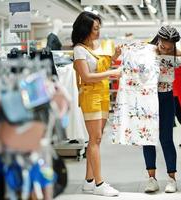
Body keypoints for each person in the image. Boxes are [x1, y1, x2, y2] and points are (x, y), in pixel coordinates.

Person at [72, 11, 121, 197]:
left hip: (102, 94)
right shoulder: (79, 49)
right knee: (95, 138)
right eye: (95, 29)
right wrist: (112, 73)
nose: (98, 32)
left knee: (96, 139)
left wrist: (113, 57)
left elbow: (100, 68)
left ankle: (88, 181)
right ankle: (99, 184)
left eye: (99, 28)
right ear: (86, 29)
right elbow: (86, 76)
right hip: (90, 95)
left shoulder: (95, 46)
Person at [143, 25, 181, 193]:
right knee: (148, 138)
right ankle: (151, 178)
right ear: (158, 40)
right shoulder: (147, 51)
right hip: (148, 97)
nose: (166, 49)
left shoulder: (177, 54)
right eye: (163, 46)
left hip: (167, 97)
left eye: (169, 47)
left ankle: (172, 179)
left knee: (166, 138)